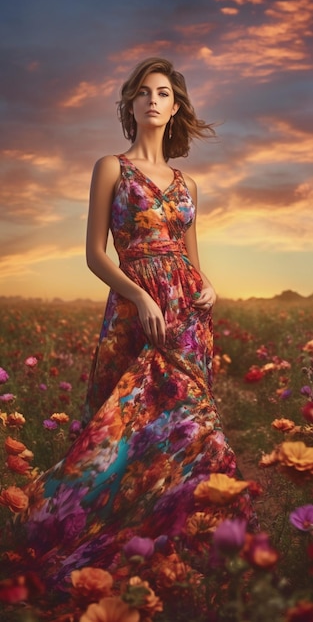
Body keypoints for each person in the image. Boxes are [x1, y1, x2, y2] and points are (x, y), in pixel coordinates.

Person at [2, 57, 256, 600]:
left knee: (190, 425)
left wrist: (211, 288)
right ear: (131, 105)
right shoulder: (110, 167)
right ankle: (104, 531)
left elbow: (191, 256)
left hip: (189, 314)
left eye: (163, 92)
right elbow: (95, 255)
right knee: (127, 425)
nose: (153, 100)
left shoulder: (189, 183)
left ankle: (187, 540)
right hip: (135, 309)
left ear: (175, 106)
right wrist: (139, 295)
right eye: (143, 92)